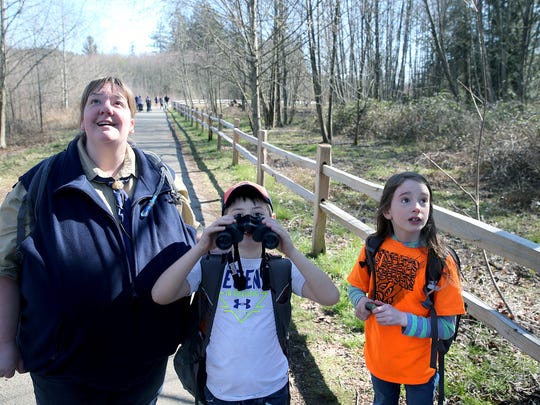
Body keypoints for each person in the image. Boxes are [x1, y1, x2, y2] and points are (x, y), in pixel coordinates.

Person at [0, 76, 198, 404]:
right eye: (95, 101)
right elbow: (5, 267)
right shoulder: (39, 184)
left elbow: (191, 256)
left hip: (145, 367)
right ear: (82, 120)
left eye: (118, 102)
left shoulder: (164, 181)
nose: (106, 108)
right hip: (63, 373)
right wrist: (5, 343)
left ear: (131, 122)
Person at [152, 181, 340, 404]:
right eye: (238, 215)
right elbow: (160, 295)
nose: (247, 220)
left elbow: (331, 297)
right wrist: (200, 248)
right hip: (221, 391)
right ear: (223, 222)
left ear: (273, 221)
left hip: (271, 388)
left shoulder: (282, 269)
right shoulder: (209, 266)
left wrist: (290, 250)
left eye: (258, 214)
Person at [347, 172, 465, 405]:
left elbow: (446, 328)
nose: (416, 208)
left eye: (423, 200)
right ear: (387, 211)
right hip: (380, 360)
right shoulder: (374, 247)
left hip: (421, 369)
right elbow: (355, 287)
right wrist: (360, 302)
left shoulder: (440, 261)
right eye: (405, 200)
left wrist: (402, 319)